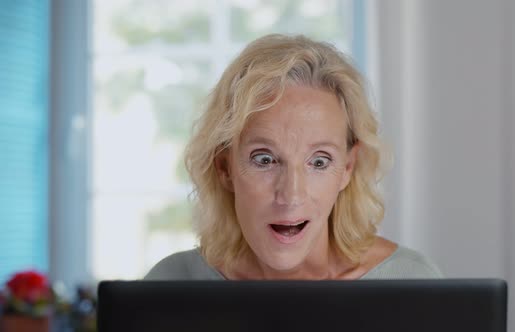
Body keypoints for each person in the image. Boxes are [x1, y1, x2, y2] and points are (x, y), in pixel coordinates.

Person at [145, 34, 442, 280]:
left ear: (347, 168)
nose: (291, 195)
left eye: (319, 162)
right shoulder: (171, 283)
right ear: (225, 168)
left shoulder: (412, 281)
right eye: (264, 160)